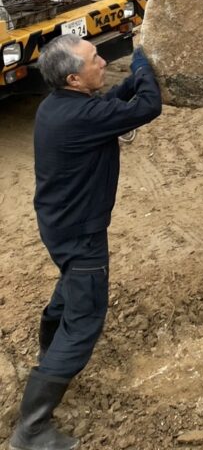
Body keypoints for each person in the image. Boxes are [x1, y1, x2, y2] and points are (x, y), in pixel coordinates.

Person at [10, 35, 162, 450]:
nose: (102, 63)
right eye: (96, 59)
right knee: (85, 316)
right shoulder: (81, 116)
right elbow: (149, 107)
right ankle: (33, 429)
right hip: (80, 234)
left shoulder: (59, 106)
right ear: (75, 78)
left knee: (70, 287)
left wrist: (131, 79)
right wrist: (144, 65)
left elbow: (113, 102)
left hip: (58, 224)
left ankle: (47, 357)